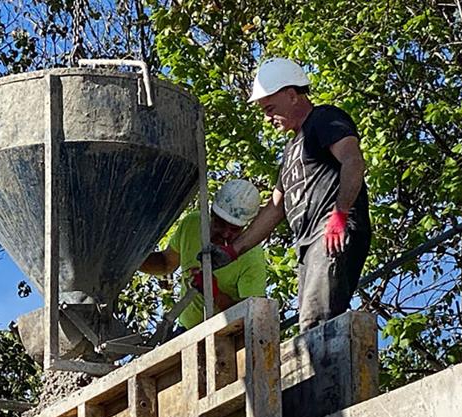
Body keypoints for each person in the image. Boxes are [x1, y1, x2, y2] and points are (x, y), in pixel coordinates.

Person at [212, 58, 371, 332]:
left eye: (270, 108)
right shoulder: (290, 151)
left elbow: (353, 161)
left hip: (329, 233)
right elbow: (276, 208)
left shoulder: (324, 119)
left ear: (292, 95)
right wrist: (233, 250)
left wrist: (340, 214)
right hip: (308, 245)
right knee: (309, 322)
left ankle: (325, 375)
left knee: (316, 322)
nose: (267, 117)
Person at [140, 179, 267, 334]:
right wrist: (130, 262)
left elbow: (254, 316)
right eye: (220, 224)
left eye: (234, 229)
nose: (225, 233)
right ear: (212, 213)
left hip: (225, 336)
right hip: (185, 332)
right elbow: (166, 263)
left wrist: (215, 293)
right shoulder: (191, 224)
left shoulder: (251, 256)